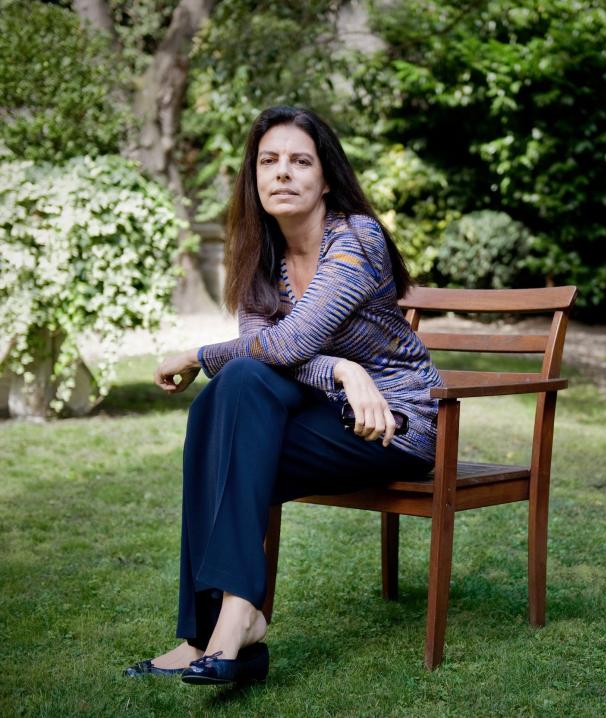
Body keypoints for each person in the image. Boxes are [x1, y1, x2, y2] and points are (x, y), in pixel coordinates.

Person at [124, 106, 442, 685]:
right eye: (269, 161)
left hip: (395, 423)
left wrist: (200, 356)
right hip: (333, 411)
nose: (283, 173)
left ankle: (229, 625)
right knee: (227, 401)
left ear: (326, 178)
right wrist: (342, 371)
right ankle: (217, 632)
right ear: (254, 177)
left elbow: (289, 343)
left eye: (301, 161)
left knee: (225, 417)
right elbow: (264, 353)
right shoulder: (259, 255)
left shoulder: (356, 239)